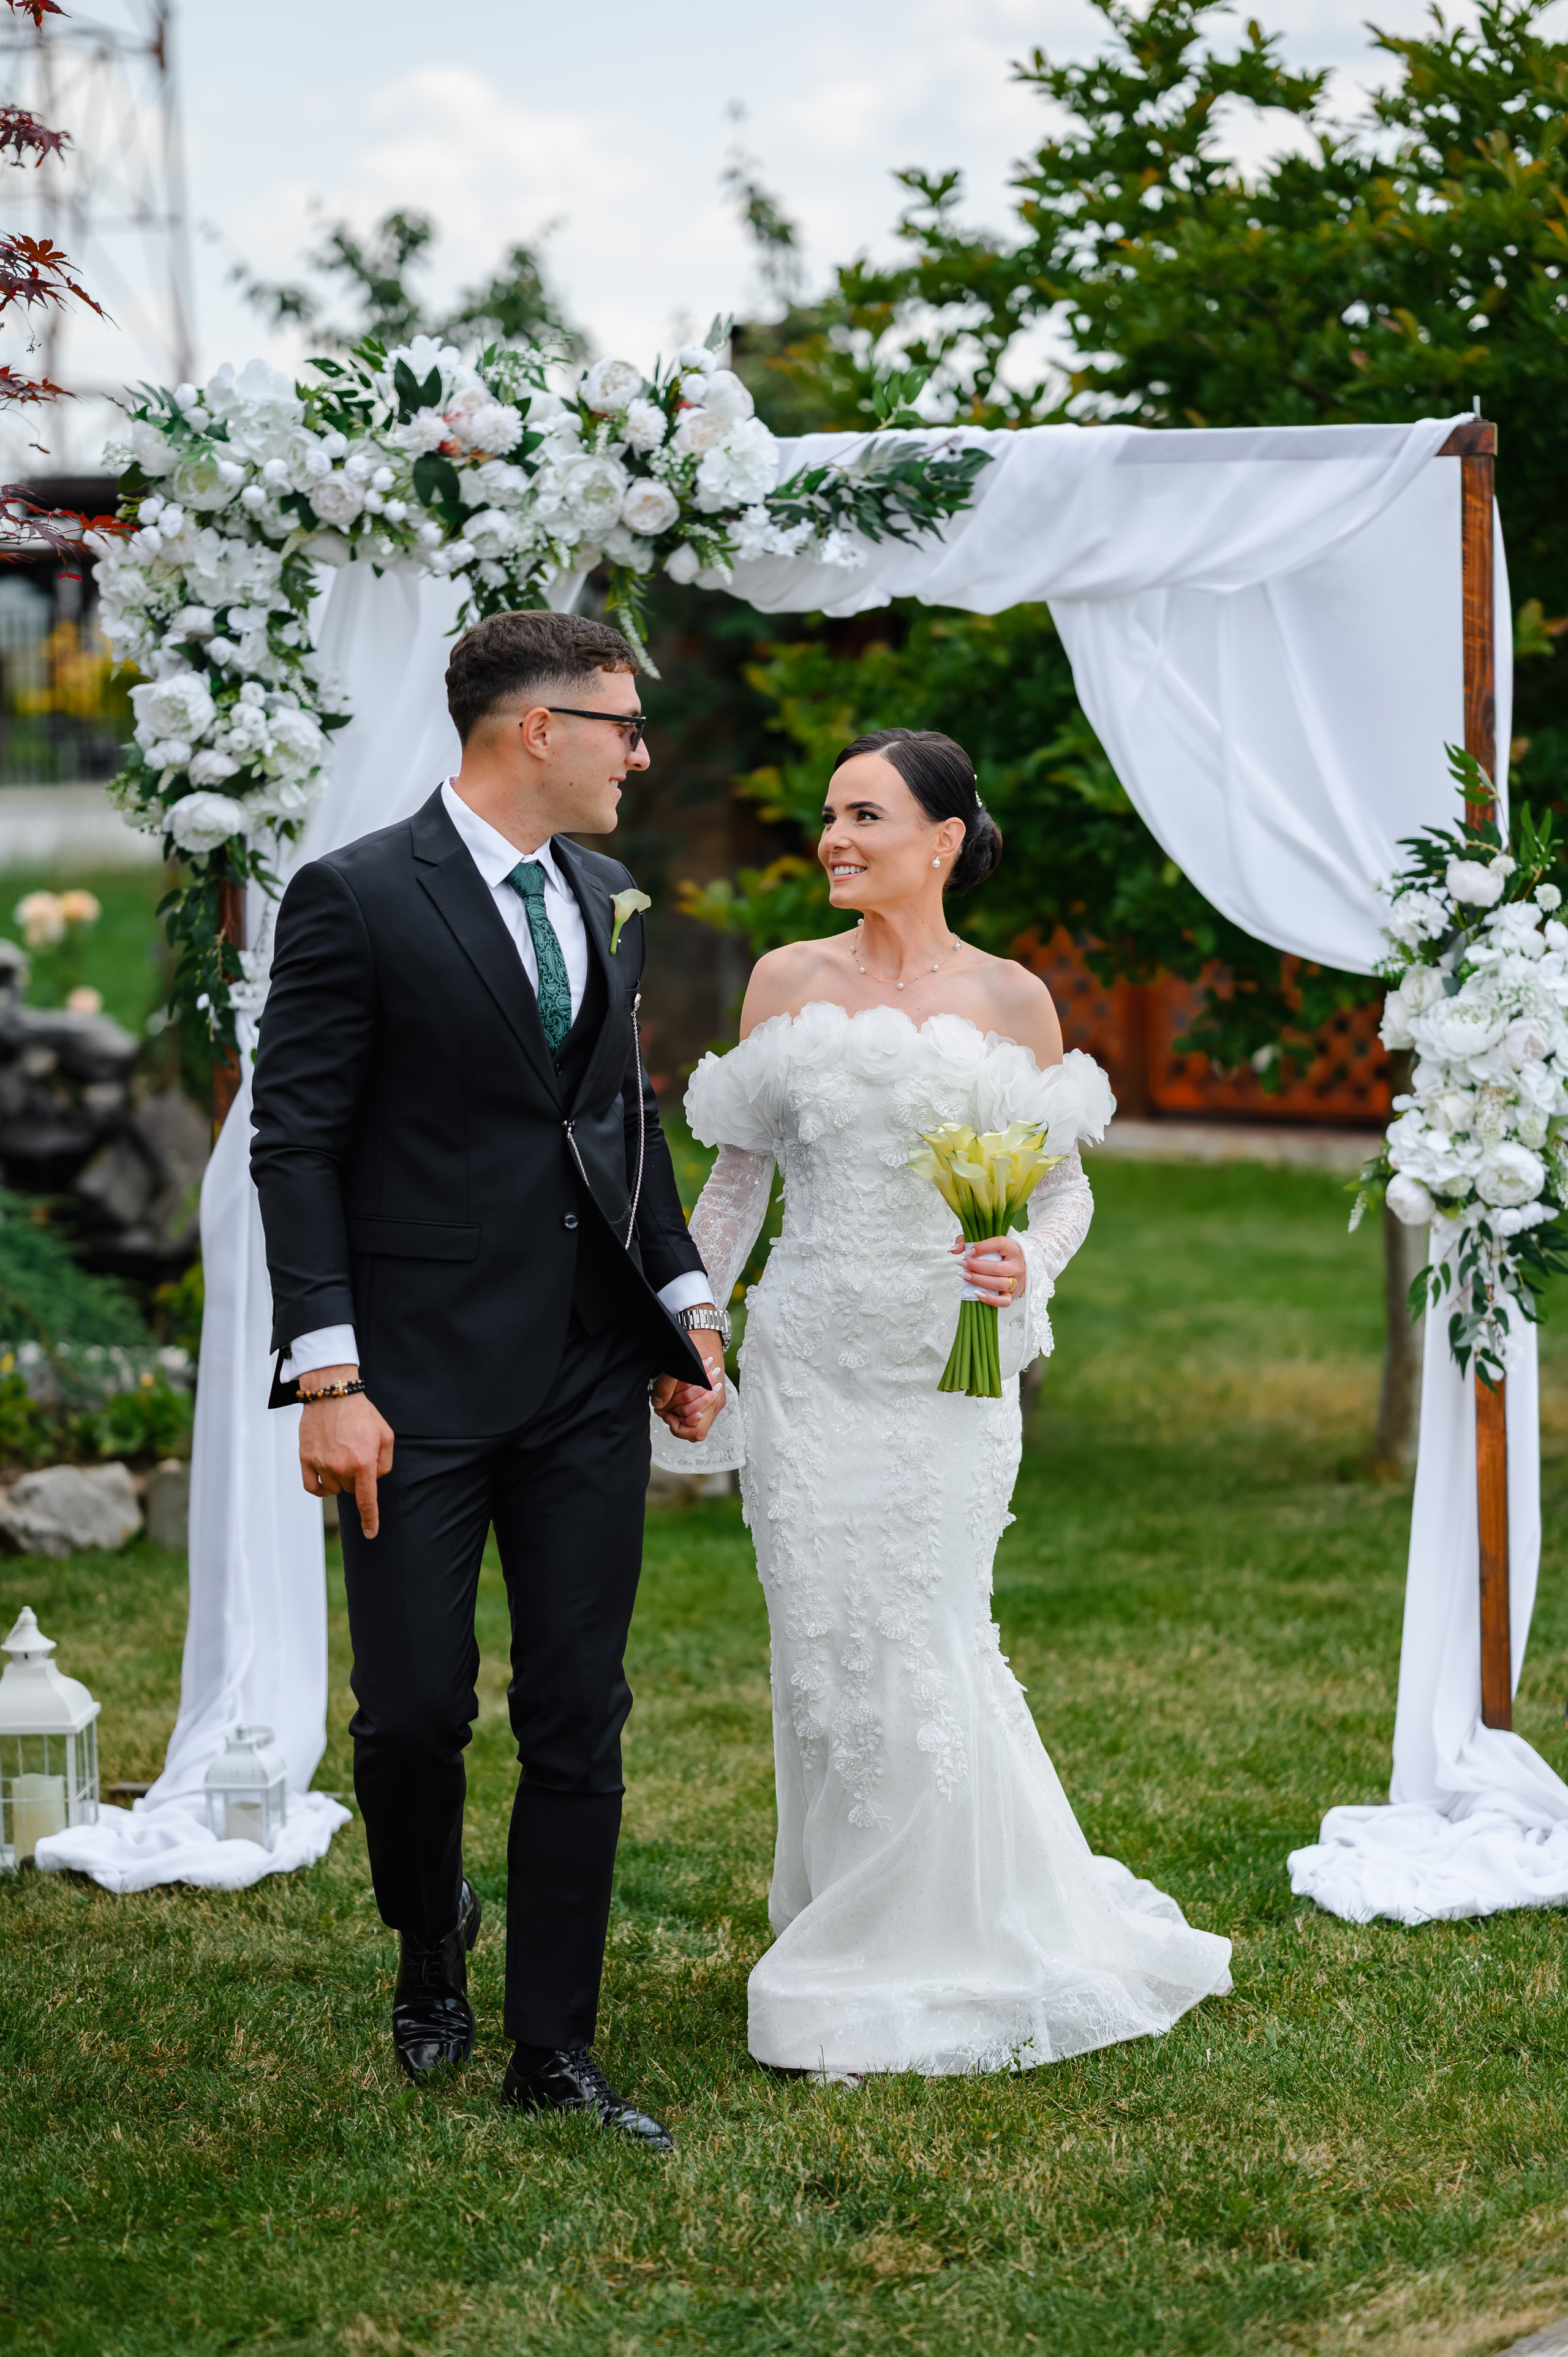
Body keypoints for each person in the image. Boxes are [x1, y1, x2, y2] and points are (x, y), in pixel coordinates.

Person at [660, 726, 1232, 2078]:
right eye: (826, 816)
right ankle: (844, 1909)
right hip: (809, 1362)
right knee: (820, 1648)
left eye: (863, 815)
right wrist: (692, 1328)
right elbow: (736, 1185)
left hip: (946, 1373)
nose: (833, 839)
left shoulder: (1012, 1001)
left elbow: (1063, 1186)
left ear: (941, 840)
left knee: (924, 1631)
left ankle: (958, 1927)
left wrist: (1023, 1256)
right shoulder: (781, 982)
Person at [251, 609, 728, 2151]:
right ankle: (424, 1933)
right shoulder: (355, 897)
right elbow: (298, 1140)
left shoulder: (602, 896)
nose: (637, 754)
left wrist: (680, 1302)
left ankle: (553, 2045)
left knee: (578, 1709)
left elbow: (618, 1121)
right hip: (415, 1384)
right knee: (407, 1717)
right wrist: (330, 1372)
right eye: (621, 725)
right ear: (536, 728)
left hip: (588, 1370)